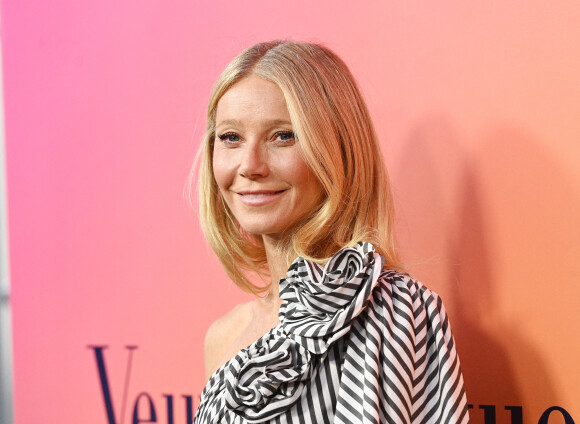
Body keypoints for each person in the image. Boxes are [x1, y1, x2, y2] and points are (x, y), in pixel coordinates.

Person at [193, 40, 469, 423]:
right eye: (231, 138)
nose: (250, 165)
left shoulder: (393, 310)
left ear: (337, 149)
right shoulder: (222, 337)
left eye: (283, 136)